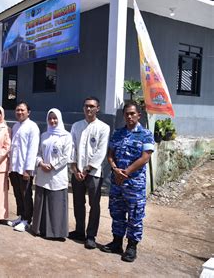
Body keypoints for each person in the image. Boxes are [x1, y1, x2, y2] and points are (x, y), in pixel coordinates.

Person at [101, 102, 154, 262]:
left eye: (132, 113)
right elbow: (110, 154)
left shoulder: (146, 134)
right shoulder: (118, 133)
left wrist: (126, 172)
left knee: (135, 215)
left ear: (139, 115)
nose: (129, 116)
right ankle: (117, 242)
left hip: (134, 184)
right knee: (117, 212)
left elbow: (145, 157)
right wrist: (115, 169)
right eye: (127, 114)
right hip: (117, 182)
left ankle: (132, 246)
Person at [68, 97, 110, 249]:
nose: (88, 109)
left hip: (93, 173)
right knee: (78, 203)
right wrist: (74, 168)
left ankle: (91, 235)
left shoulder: (103, 128)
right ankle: (79, 231)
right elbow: (71, 147)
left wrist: (86, 169)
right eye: (86, 106)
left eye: (92, 106)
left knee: (94, 204)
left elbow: (101, 151)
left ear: (98, 108)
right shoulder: (76, 126)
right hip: (77, 172)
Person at [31, 108, 73, 240]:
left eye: (55, 118)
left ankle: (56, 232)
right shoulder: (44, 135)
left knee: (56, 203)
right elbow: (38, 154)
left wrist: (53, 165)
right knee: (42, 201)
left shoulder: (66, 136)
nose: (52, 121)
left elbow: (67, 156)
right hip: (43, 173)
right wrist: (41, 163)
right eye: (50, 118)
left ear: (59, 119)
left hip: (57, 174)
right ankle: (40, 228)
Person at [8, 102, 40, 232]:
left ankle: (27, 220)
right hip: (14, 167)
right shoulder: (15, 126)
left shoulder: (33, 127)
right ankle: (21, 216)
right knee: (17, 194)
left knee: (26, 194)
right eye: (17, 110)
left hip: (24, 168)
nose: (19, 112)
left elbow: (33, 150)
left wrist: (28, 169)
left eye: (22, 110)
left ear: (28, 112)